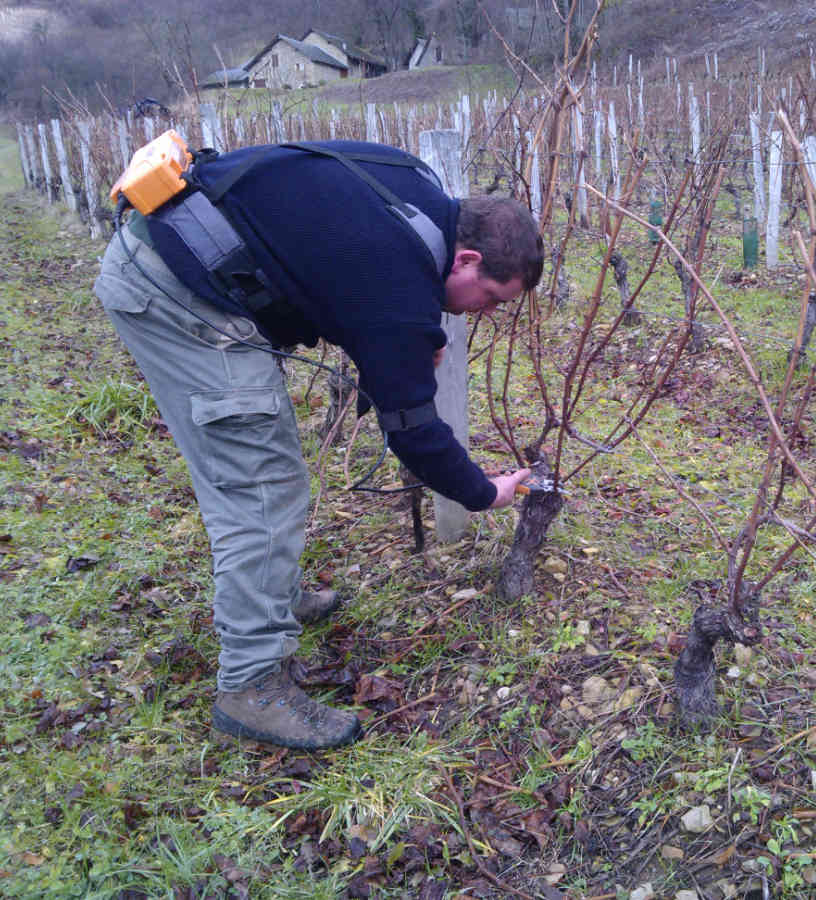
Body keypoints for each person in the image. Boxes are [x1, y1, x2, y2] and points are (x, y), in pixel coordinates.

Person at [94, 139, 544, 751]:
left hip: (181, 249)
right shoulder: (398, 284)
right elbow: (413, 430)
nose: (486, 313)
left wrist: (397, 343)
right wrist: (480, 491)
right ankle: (250, 683)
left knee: (269, 472)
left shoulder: (414, 187)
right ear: (465, 259)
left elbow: (336, 265)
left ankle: (272, 596)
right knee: (261, 487)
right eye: (491, 298)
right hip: (175, 296)